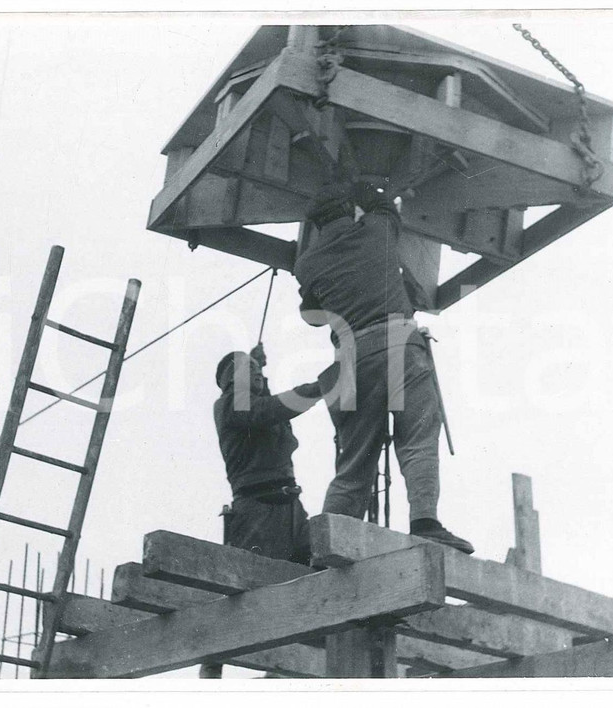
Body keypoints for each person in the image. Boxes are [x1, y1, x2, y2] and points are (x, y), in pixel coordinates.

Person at [292, 181, 475, 555]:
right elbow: (386, 210)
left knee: (354, 460)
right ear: (350, 212)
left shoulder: (306, 263)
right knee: (418, 438)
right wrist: (364, 186)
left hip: (350, 361)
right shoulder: (376, 232)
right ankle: (425, 523)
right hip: (398, 346)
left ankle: (329, 543)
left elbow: (311, 316)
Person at [199, 344, 323, 679]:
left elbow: (268, 412)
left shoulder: (249, 405)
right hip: (257, 511)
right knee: (247, 595)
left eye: (259, 369)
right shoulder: (229, 406)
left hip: (290, 509)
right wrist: (315, 389)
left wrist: (257, 373)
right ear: (230, 380)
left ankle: (283, 672)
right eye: (247, 369)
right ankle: (212, 669)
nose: (257, 372)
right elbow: (266, 411)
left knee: (312, 577)